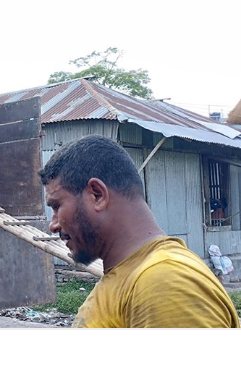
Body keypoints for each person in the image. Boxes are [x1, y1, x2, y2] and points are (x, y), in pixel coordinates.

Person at [38, 134, 240, 328]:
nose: (53, 225)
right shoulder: (130, 276)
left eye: (56, 206)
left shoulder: (164, 281)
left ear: (97, 195)